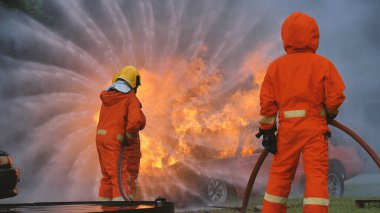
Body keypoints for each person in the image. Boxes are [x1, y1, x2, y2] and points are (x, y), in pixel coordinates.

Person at [257, 12, 345, 213]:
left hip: (287, 132)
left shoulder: (275, 67)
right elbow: (336, 95)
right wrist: (330, 112)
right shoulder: (323, 64)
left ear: (285, 36)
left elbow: (267, 103)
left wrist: (268, 130)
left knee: (279, 177)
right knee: (316, 177)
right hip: (314, 131)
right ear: (314, 36)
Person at [96, 65, 146, 201]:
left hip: (101, 140)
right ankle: (121, 206)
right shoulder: (130, 98)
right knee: (120, 176)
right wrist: (129, 139)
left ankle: (105, 207)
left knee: (108, 175)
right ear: (133, 81)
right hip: (115, 142)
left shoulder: (108, 96)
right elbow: (135, 122)